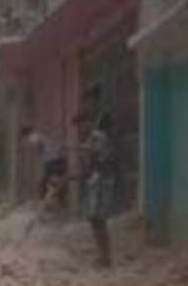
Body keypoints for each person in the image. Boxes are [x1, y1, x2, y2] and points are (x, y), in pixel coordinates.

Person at [76, 112, 118, 269]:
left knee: (98, 220)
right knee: (96, 221)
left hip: (100, 182)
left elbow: (94, 157)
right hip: (98, 181)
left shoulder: (97, 137)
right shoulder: (95, 138)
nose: (80, 129)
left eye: (81, 124)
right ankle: (104, 257)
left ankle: (105, 258)